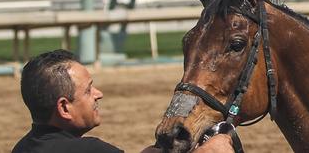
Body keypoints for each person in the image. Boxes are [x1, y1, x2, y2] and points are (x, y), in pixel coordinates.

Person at [13, 49, 233, 152]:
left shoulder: (22, 147)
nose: (98, 94)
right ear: (64, 107)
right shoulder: (89, 150)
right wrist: (210, 150)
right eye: (88, 91)